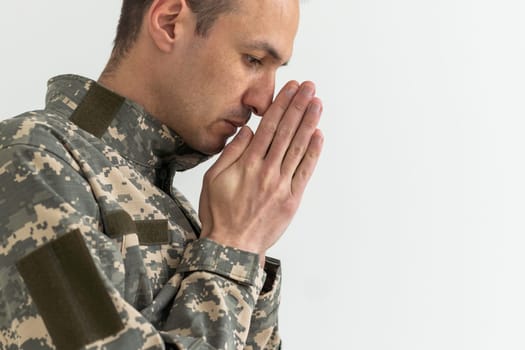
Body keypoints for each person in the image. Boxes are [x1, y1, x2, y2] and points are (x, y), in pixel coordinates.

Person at [0, 0, 323, 348]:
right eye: (253, 59)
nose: (263, 100)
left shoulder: (178, 210)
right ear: (169, 22)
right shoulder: (32, 161)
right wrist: (234, 245)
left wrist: (247, 250)